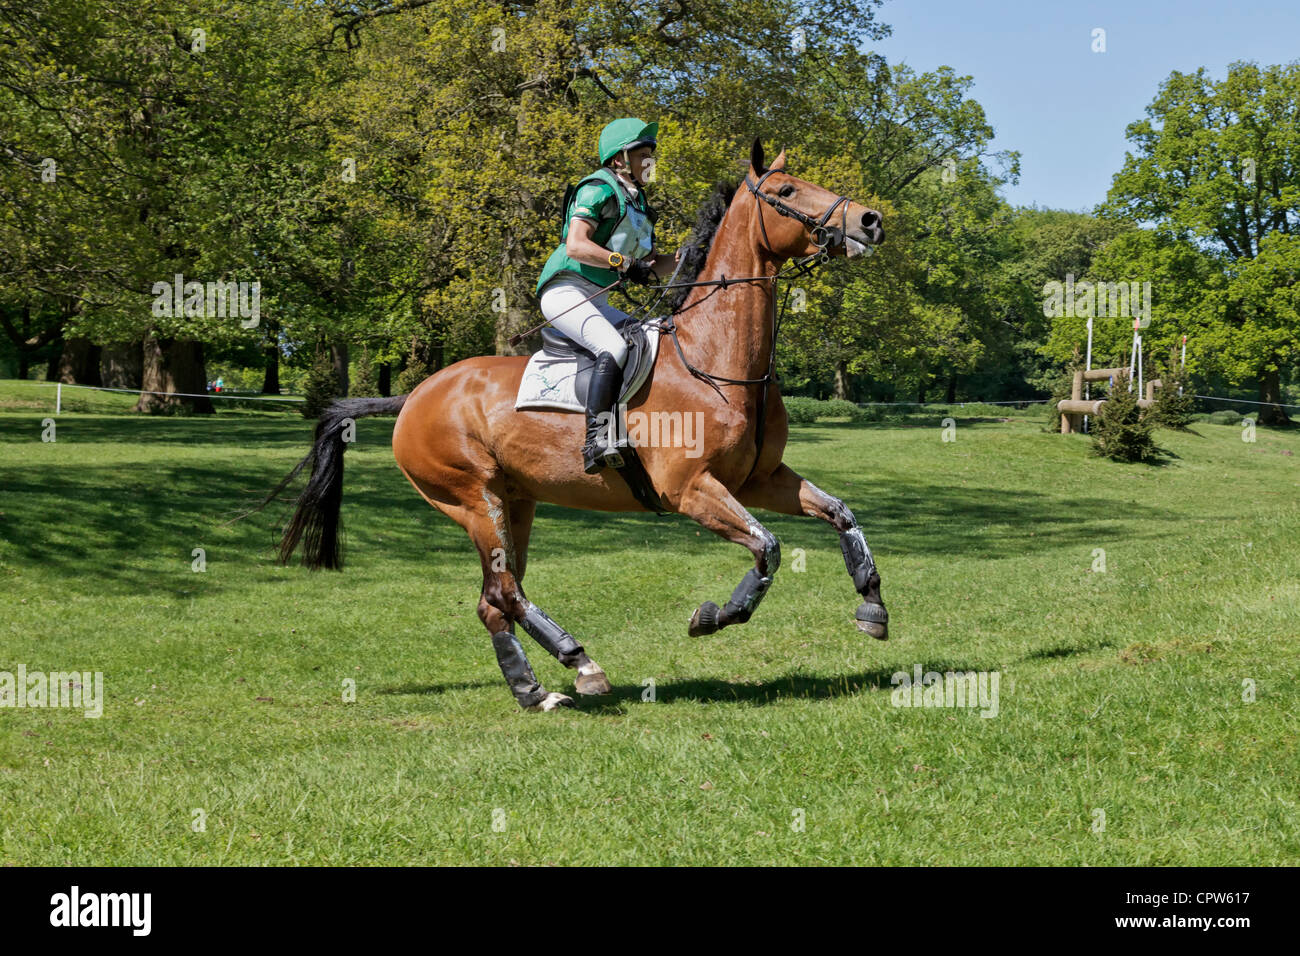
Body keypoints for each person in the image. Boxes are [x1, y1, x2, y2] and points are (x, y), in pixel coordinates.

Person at [534, 117, 679, 474]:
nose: (650, 163)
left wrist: (689, 259)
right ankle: (596, 440)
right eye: (643, 155)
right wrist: (623, 262)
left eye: (651, 156)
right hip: (565, 290)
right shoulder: (597, 189)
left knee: (649, 341)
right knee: (613, 347)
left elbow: (652, 264)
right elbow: (577, 244)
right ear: (619, 160)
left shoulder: (640, 207)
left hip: (595, 298)